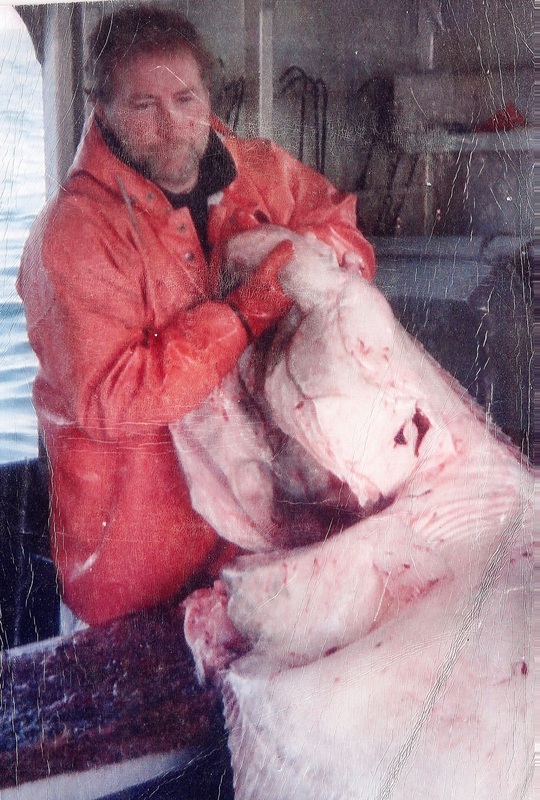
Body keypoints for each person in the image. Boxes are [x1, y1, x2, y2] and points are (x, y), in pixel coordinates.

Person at [17, 7, 375, 625]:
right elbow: (112, 397)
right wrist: (244, 314)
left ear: (207, 93)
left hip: (244, 545)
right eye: (143, 106)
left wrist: (318, 264)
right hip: (132, 581)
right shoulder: (71, 235)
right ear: (99, 106)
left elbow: (340, 224)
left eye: (185, 98)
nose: (174, 128)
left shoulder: (256, 169)